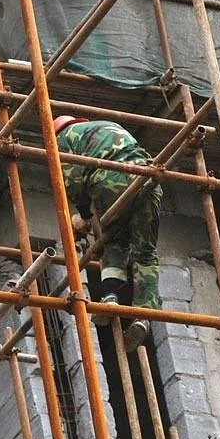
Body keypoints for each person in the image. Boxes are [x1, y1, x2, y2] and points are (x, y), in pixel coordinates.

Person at [53, 115, 161, 352]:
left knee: (114, 241)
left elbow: (73, 179)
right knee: (146, 252)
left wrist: (85, 214)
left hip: (110, 181)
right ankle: (144, 316)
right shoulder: (108, 126)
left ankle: (110, 296)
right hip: (147, 179)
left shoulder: (63, 138)